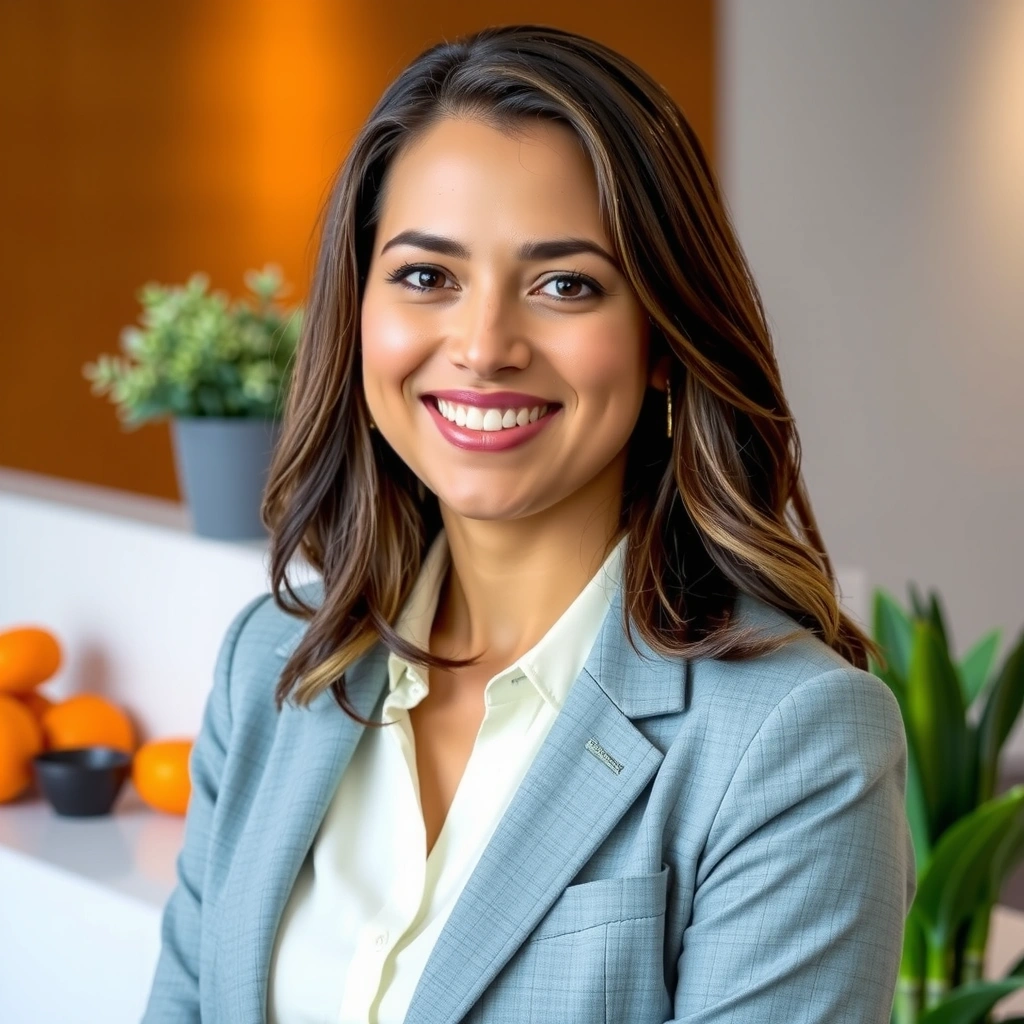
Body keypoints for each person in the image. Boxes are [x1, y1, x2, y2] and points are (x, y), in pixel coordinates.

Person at [141, 23, 916, 1024]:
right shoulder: (271, 666)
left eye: (565, 284)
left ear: (663, 340)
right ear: (359, 309)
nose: (483, 345)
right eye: (426, 276)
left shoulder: (793, 740)